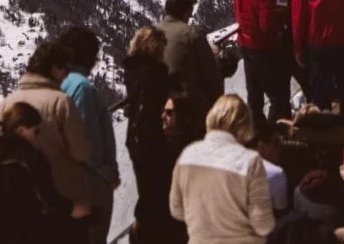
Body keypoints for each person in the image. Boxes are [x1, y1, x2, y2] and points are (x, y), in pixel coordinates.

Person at [0, 101, 88, 244]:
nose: (36, 137)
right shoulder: (32, 157)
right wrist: (73, 209)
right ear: (21, 130)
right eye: (35, 131)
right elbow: (49, 197)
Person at [0, 40, 95, 229]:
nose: (65, 76)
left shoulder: (6, 104)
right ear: (53, 68)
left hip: (21, 204)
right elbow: (82, 152)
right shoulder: (61, 102)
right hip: (64, 202)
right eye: (64, 70)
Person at [170, 94, 275, 244]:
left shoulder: (187, 155)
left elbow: (176, 210)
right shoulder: (250, 162)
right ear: (244, 126)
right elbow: (263, 224)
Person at [57, 27, 119, 244]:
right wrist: (108, 175)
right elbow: (87, 143)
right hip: (90, 184)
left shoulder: (61, 82)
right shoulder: (81, 87)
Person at [123, 27, 181, 244]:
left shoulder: (131, 69)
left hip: (134, 137)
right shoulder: (156, 71)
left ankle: (142, 231)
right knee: (160, 189)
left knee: (146, 187)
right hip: (152, 137)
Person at [234, 0, 291, 126]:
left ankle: (256, 131)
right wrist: (282, 17)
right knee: (278, 96)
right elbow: (266, 25)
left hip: (245, 42)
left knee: (254, 94)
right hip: (263, 47)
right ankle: (276, 133)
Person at [160, 0, 224, 118]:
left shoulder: (152, 33)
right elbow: (211, 75)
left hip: (161, 106)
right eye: (190, 13)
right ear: (186, 12)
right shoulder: (191, 33)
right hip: (189, 107)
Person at [252, 121, 290, 218]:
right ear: (261, 146)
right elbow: (281, 213)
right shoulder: (276, 173)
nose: (280, 147)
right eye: (276, 143)